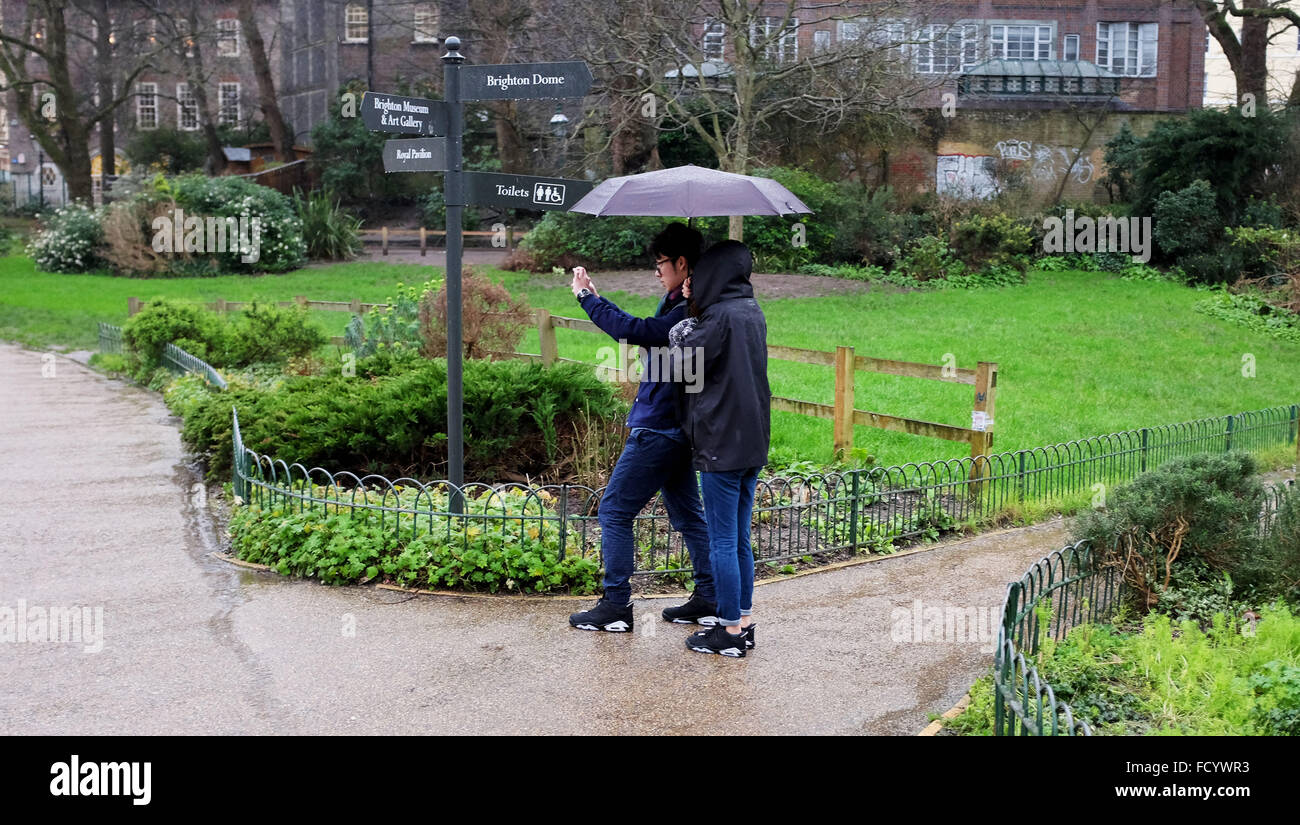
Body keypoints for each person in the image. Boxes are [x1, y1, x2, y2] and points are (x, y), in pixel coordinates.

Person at [567, 222, 720, 633]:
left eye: (661, 264)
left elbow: (631, 330)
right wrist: (600, 299)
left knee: (615, 510)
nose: (657, 272)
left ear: (682, 263)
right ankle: (709, 597)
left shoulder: (683, 312)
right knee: (689, 516)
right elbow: (641, 328)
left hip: (658, 430)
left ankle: (615, 604)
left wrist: (585, 298)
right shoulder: (686, 304)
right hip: (678, 430)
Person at [669, 240, 770, 658]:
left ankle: (727, 633)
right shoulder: (751, 312)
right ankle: (742, 621)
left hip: (720, 445)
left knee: (723, 542)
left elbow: (680, 369)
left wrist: (682, 321)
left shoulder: (717, 319)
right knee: (740, 539)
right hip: (752, 442)